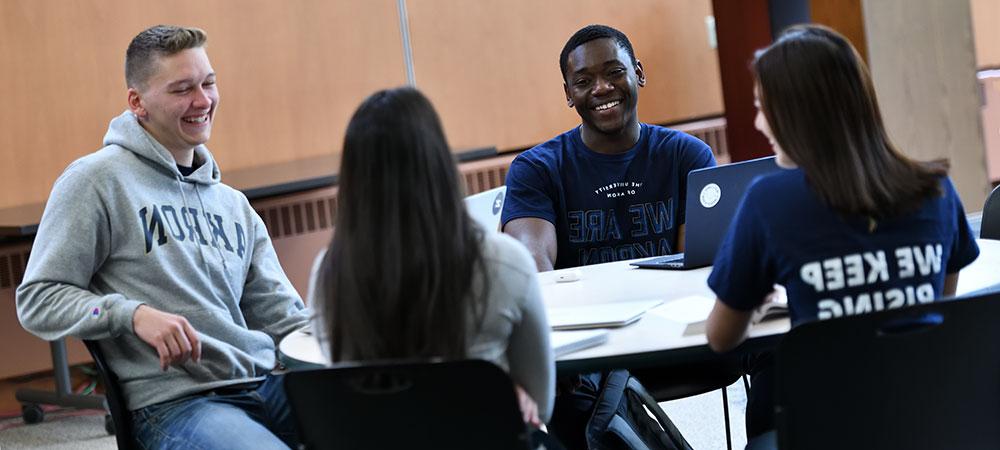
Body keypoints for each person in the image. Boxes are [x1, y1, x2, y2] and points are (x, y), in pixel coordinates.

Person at [16, 25, 309, 449]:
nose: (203, 101)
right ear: (137, 102)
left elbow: (283, 318)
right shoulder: (96, 182)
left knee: (390, 418)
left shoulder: (233, 205)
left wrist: (349, 353)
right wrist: (131, 315)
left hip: (261, 384)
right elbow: (38, 298)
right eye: (182, 89)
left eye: (208, 83)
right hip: (175, 405)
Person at [705, 24, 980, 437]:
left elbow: (722, 339)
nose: (760, 124)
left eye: (764, 108)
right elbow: (937, 310)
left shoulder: (767, 201)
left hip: (827, 428)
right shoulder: (936, 189)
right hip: (930, 423)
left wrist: (757, 301)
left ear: (796, 115)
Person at [311, 87, 555, 428]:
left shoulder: (330, 273)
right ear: (439, 162)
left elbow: (351, 396)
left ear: (352, 178)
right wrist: (499, 392)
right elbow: (540, 405)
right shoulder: (504, 261)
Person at [502, 24, 716, 272]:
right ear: (569, 94)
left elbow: (699, 264)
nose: (602, 87)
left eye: (614, 72)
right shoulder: (536, 169)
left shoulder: (687, 156)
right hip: (577, 310)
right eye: (583, 81)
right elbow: (532, 269)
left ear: (638, 74)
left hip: (669, 307)